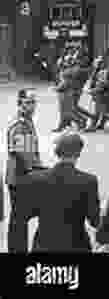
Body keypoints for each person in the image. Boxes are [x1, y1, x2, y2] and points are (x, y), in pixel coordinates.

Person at [12, 132, 100, 252]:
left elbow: (19, 220)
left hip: (44, 246)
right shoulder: (89, 181)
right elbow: (95, 220)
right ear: (79, 153)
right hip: (77, 246)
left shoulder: (36, 179)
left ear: (56, 152)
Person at [6, 89, 46, 253]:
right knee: (19, 219)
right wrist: (41, 171)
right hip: (20, 177)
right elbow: (24, 155)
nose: (32, 105)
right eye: (29, 102)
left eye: (34, 102)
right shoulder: (20, 125)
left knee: (19, 218)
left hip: (23, 175)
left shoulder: (27, 121)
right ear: (20, 103)